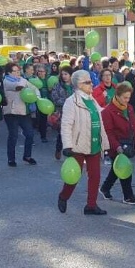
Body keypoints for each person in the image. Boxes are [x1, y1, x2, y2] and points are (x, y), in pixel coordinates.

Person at [57, 70, 110, 215]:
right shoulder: (71, 102)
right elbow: (66, 125)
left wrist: (115, 105)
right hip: (78, 145)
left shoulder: (91, 99)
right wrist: (67, 145)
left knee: (95, 176)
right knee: (74, 175)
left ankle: (91, 205)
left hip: (94, 143)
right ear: (79, 85)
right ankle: (63, 196)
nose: (91, 84)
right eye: (87, 82)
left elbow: (102, 112)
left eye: (90, 81)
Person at [100, 83, 135, 205]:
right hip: (116, 145)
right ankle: (128, 196)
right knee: (125, 169)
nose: (127, 100)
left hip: (128, 143)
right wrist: (117, 147)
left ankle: (105, 188)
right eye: (125, 97)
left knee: (116, 170)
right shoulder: (108, 111)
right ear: (117, 96)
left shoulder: (129, 108)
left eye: (128, 97)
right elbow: (108, 132)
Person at [2, 62, 39, 167]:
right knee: (13, 136)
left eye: (19, 71)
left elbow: (34, 88)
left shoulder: (23, 80)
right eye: (15, 71)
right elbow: (17, 86)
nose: (18, 73)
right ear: (9, 72)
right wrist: (25, 84)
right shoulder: (6, 81)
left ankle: (27, 156)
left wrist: (37, 96)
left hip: (23, 112)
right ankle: (11, 159)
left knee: (30, 134)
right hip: (11, 113)